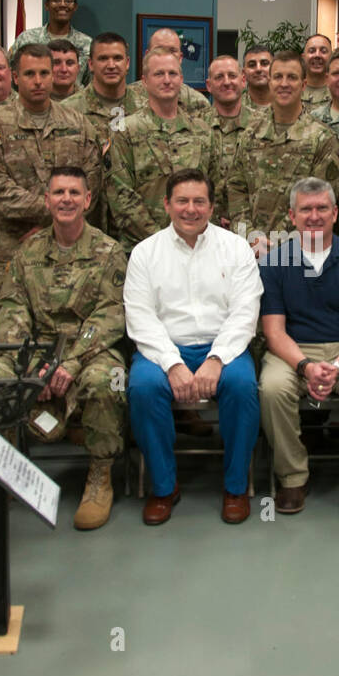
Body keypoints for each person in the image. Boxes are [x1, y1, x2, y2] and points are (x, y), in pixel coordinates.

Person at [0, 167, 128, 530]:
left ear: (88, 201)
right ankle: (1, 467)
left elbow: (111, 313)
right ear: (47, 200)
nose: (66, 199)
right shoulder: (27, 252)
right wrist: (34, 362)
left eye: (74, 193)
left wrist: (70, 363)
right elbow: (10, 307)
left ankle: (100, 476)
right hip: (35, 350)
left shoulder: (109, 251)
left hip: (89, 348)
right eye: (59, 192)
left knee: (105, 382)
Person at [124, 169, 263, 525]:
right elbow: (141, 318)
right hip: (163, 349)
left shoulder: (235, 249)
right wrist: (172, 363)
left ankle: (235, 487)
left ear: (212, 206)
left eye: (199, 201)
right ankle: (164, 487)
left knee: (243, 386)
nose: (190, 209)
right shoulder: (145, 253)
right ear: (167, 205)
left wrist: (217, 358)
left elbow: (245, 312)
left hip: (223, 347)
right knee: (141, 389)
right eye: (182, 201)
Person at [259, 177, 339, 524]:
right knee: (272, 388)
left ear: (335, 213)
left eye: (321, 208)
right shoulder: (274, 262)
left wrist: (336, 366)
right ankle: (292, 478)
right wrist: (305, 367)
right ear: (292, 215)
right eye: (305, 209)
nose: (313, 216)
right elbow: (273, 332)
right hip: (292, 351)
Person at [0, 42, 103, 337]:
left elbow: (93, 179)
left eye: (44, 73)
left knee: (67, 326)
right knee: (6, 329)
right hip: (14, 243)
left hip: (71, 247)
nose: (38, 80)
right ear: (15, 77)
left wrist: (57, 224)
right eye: (30, 73)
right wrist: (54, 213)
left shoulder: (78, 124)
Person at [226, 51, 339, 254]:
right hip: (252, 251)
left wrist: (280, 246)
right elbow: (236, 189)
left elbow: (323, 203)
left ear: (303, 85)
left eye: (292, 77)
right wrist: (249, 236)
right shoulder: (250, 134)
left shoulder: (322, 139)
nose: (284, 83)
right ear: (270, 82)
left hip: (301, 253)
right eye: (278, 77)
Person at [108, 49, 217, 251]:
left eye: (173, 74)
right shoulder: (126, 130)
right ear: (144, 81)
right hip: (143, 247)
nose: (167, 80)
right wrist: (163, 242)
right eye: (159, 74)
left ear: (181, 79)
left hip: (198, 246)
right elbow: (121, 195)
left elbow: (214, 189)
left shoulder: (202, 131)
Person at [62, 32, 145, 161]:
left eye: (117, 58)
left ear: (127, 63)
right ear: (90, 64)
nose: (111, 65)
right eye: (103, 59)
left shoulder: (145, 108)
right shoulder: (67, 111)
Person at [204, 54, 263, 218]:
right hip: (206, 226)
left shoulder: (263, 126)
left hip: (251, 226)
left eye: (232, 75)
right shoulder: (196, 126)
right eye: (219, 77)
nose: (227, 82)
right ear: (209, 85)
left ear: (243, 81)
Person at [8, 0, 93, 84]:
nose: (62, 4)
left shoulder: (87, 44)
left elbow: (91, 85)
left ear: (75, 7)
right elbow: (10, 76)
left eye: (68, 0)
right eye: (56, 0)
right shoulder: (26, 39)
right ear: (46, 5)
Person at [125, 28, 210, 113]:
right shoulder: (127, 98)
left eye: (172, 51)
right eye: (158, 50)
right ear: (147, 55)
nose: (166, 55)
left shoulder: (198, 103)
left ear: (180, 58)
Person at [301, 34, 333, 110]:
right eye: (312, 51)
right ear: (303, 57)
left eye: (323, 51)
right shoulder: (293, 91)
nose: (317, 55)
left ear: (332, 57)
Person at [242, 45, 273, 111]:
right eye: (252, 65)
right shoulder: (233, 108)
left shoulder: (290, 105)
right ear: (243, 74)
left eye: (264, 64)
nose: (258, 69)